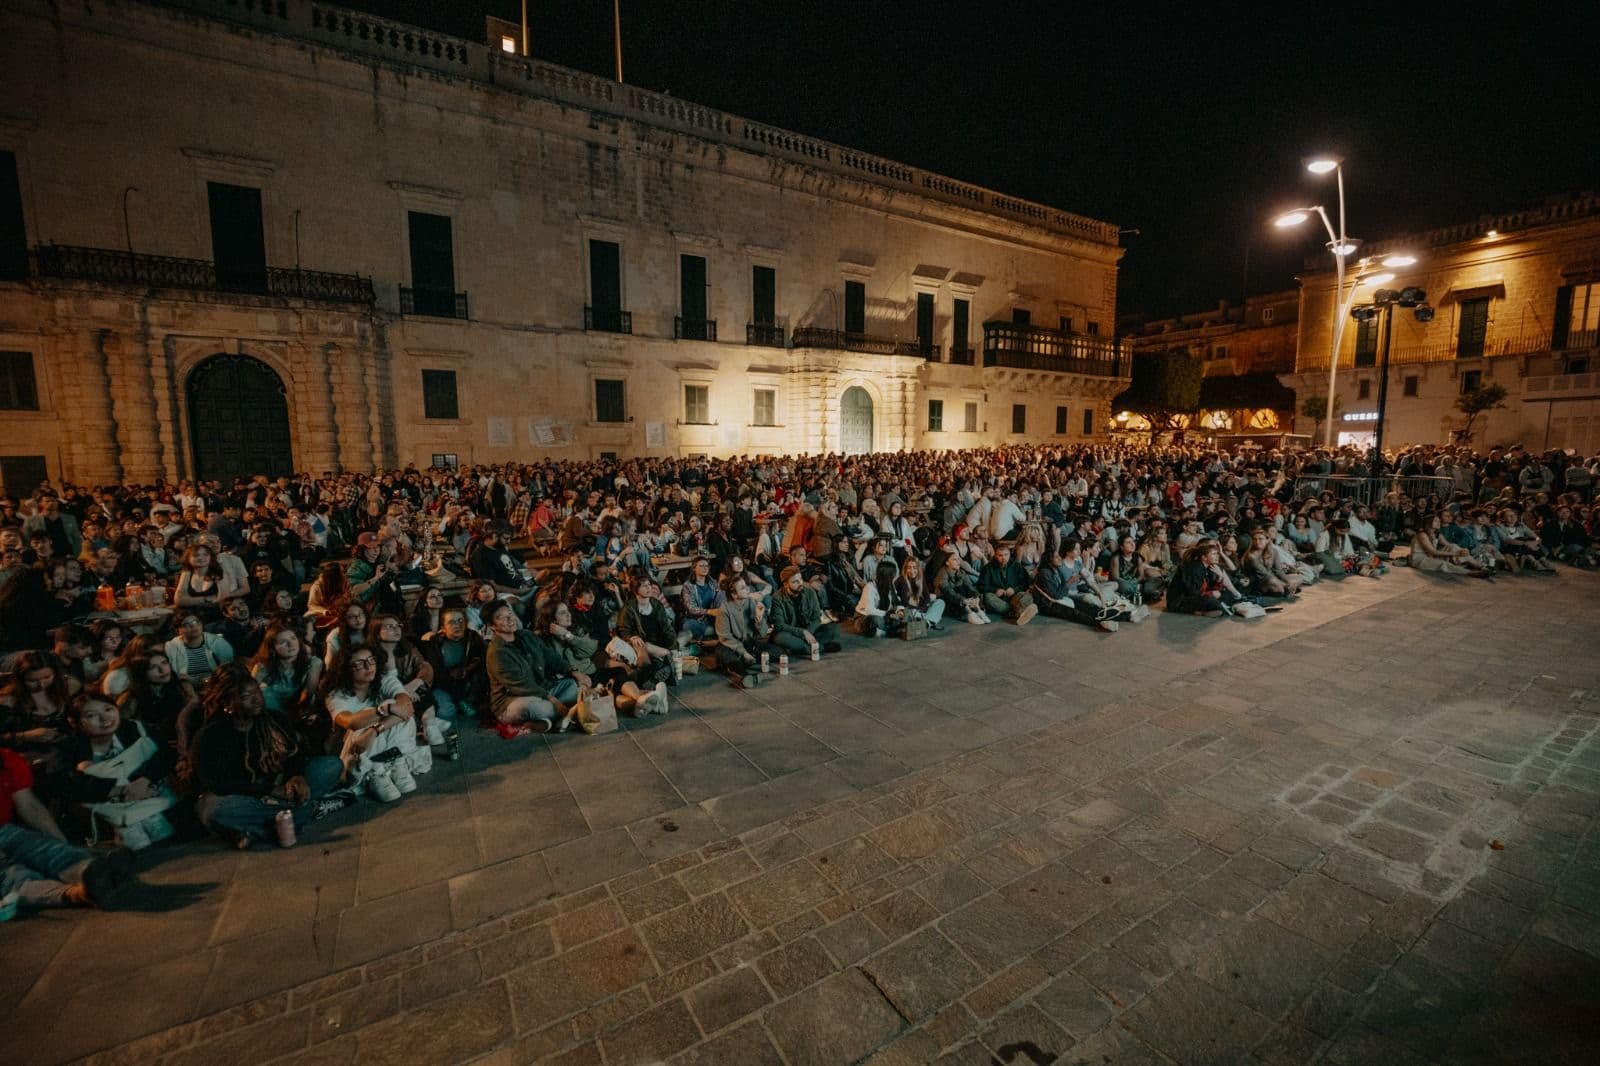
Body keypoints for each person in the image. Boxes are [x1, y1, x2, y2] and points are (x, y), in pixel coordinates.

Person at [190, 664, 349, 847]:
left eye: (257, 693)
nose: (256, 700)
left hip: (281, 785)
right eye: (246, 697)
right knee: (212, 810)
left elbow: (295, 755)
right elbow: (219, 784)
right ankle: (305, 812)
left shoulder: (274, 719)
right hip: (245, 796)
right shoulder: (211, 735)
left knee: (332, 766)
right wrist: (269, 791)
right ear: (227, 703)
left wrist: (296, 776)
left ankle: (255, 829)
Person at [1, 744, 134, 911]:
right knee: (14, 876)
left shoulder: (5, 759)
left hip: (5, 831)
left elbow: (29, 807)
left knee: (49, 850)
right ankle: (77, 893)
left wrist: (62, 844)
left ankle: (93, 871)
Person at [62, 692, 179, 850]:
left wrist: (144, 779)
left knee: (162, 832)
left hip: (149, 791)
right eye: (91, 715)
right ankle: (124, 827)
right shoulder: (73, 746)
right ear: (76, 722)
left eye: (108, 710)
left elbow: (167, 754)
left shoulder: (135, 728)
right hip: (110, 801)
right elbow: (73, 785)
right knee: (136, 841)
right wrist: (122, 790)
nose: (104, 718)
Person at [321, 646, 422, 801]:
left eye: (371, 660)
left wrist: (375, 730)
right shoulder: (335, 694)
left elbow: (407, 708)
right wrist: (385, 710)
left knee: (395, 706)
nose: (368, 667)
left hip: (374, 740)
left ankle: (394, 765)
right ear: (346, 669)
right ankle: (374, 774)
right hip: (354, 753)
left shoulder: (384, 679)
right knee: (374, 712)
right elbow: (352, 722)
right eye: (360, 664)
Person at [484, 599, 583, 733]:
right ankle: (556, 717)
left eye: (509, 613)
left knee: (573, 686)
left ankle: (547, 721)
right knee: (543, 708)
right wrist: (553, 701)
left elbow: (551, 657)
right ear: (492, 626)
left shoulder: (526, 635)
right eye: (501, 617)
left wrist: (574, 671)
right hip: (512, 701)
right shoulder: (497, 653)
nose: (509, 618)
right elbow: (523, 686)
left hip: (541, 691)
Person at [421, 607, 488, 726]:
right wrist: (451, 675)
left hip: (467, 684)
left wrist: (468, 669)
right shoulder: (434, 644)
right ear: (443, 628)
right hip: (443, 685)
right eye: (451, 622)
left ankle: (466, 701)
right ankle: (458, 702)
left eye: (460, 621)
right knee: (445, 713)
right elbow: (435, 673)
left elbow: (485, 659)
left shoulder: (473, 638)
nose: (457, 625)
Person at [769, 565, 842, 657]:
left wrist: (808, 632)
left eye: (801, 579)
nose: (800, 583)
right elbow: (779, 625)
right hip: (789, 633)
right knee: (780, 638)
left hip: (808, 629)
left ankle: (797, 648)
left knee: (833, 629)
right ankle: (819, 648)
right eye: (795, 582)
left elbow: (816, 618)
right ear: (786, 584)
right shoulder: (777, 597)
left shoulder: (810, 592)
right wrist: (803, 633)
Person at [714, 572, 771, 688]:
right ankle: (746, 676)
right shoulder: (724, 609)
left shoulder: (752, 602)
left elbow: (763, 633)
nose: (748, 589)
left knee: (777, 651)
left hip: (749, 643)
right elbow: (724, 637)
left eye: (746, 586)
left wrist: (759, 618)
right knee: (725, 654)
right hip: (731, 646)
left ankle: (746, 664)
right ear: (734, 595)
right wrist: (743, 652)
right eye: (743, 588)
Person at [164, 612, 236, 686]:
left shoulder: (218, 642)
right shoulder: (171, 647)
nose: (193, 626)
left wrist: (203, 681)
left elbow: (228, 671)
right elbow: (175, 676)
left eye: (196, 622)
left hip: (216, 685)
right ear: (177, 630)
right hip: (186, 687)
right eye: (186, 625)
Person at [977, 543, 1039, 625]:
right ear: (995, 555)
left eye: (1006, 555)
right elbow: (981, 586)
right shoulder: (988, 568)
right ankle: (1019, 611)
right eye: (1000, 555)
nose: (1003, 558)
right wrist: (995, 590)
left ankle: (1016, 612)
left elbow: (1025, 583)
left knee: (1026, 595)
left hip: (1014, 596)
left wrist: (1014, 589)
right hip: (999, 600)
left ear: (1009, 554)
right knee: (988, 597)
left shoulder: (1016, 566)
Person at [678, 556, 723, 642]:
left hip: (712, 617)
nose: (705, 568)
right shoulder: (688, 586)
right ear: (694, 568)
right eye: (701, 566)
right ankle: (708, 638)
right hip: (695, 619)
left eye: (706, 566)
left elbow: (719, 597)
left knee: (723, 595)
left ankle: (714, 637)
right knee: (688, 626)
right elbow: (691, 609)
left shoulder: (712, 582)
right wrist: (709, 611)